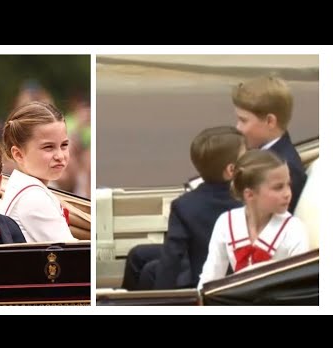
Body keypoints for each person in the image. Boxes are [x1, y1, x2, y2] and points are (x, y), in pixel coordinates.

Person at [122, 126, 245, 290]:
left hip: (201, 285)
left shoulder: (184, 206)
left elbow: (171, 260)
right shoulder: (249, 200)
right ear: (231, 170)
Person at [198, 149, 309, 288]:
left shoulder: (293, 228)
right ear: (249, 195)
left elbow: (300, 286)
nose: (287, 193)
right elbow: (210, 277)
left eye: (288, 185)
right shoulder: (226, 222)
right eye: (278, 187)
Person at [1, 101, 76, 243]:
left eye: (64, 145)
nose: (60, 156)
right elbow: (74, 255)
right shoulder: (32, 197)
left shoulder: (25, 189)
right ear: (18, 154)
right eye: (48, 147)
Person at [232, 74, 307, 212]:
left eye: (243, 120)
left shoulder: (283, 168)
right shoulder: (268, 155)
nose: (238, 127)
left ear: (270, 121)